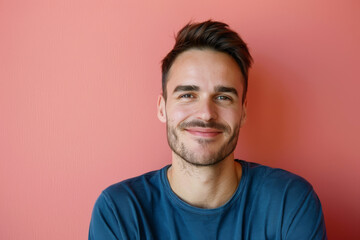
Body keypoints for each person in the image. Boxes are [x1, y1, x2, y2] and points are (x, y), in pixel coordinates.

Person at [89, 20, 327, 239]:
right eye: (188, 95)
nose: (206, 113)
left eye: (223, 97)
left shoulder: (289, 201)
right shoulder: (119, 211)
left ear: (243, 112)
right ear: (162, 108)